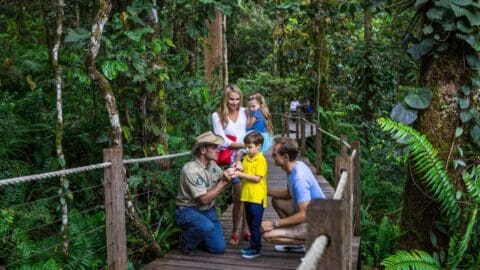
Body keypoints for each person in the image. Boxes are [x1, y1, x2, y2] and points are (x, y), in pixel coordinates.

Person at [174, 131, 236, 255]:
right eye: (214, 147)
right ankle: (186, 241)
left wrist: (233, 171)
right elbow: (204, 199)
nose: (218, 150)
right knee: (205, 227)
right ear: (203, 150)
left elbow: (221, 179)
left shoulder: (212, 164)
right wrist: (223, 182)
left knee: (219, 249)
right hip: (187, 210)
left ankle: (200, 234)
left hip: (208, 211)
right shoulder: (191, 170)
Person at [261, 136, 326, 252]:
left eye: (275, 155)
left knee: (268, 236)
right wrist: (264, 190)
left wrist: (274, 224)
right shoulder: (295, 166)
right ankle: (295, 235)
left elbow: (304, 214)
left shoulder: (299, 178)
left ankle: (316, 243)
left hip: (318, 223)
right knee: (276, 201)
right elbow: (288, 194)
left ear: (285, 157)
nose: (272, 157)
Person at [211, 84, 250, 245]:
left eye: (237, 99)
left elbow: (255, 131)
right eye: (231, 99)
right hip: (232, 158)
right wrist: (244, 145)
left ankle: (246, 230)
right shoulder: (217, 115)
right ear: (225, 99)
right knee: (239, 196)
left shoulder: (245, 112)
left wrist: (247, 147)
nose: (234, 102)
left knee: (250, 195)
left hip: (250, 156)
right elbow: (222, 141)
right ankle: (235, 230)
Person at [232, 131, 268, 259]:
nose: (246, 149)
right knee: (250, 221)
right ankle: (252, 246)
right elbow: (246, 173)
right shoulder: (247, 159)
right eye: (245, 146)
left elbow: (257, 178)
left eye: (250, 147)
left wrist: (241, 175)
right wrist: (240, 168)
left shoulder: (261, 160)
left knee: (254, 225)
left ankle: (256, 249)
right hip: (247, 196)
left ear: (259, 146)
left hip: (257, 198)